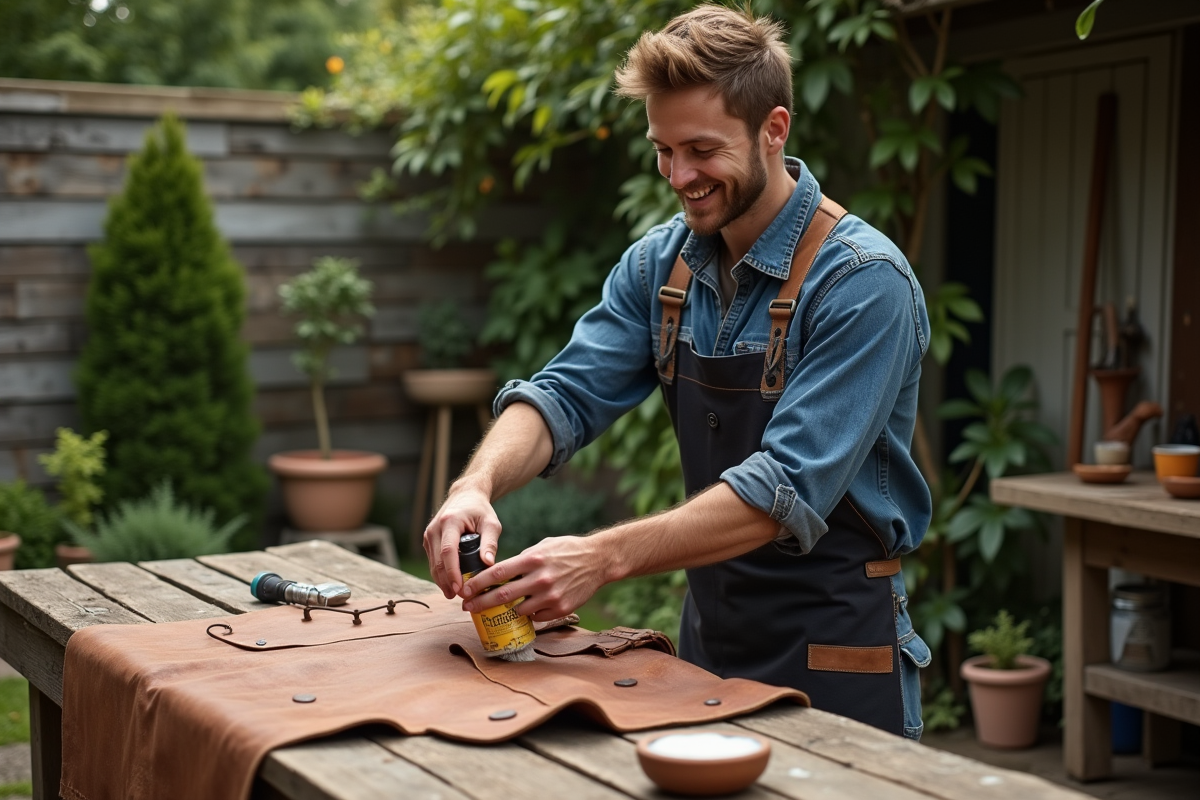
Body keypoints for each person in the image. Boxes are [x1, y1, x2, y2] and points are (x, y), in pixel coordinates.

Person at [423, 4, 932, 740]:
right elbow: (563, 394)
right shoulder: (661, 265)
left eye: (701, 150)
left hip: (835, 655)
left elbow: (782, 490)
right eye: (663, 150)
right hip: (707, 648)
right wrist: (475, 484)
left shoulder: (862, 283)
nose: (679, 176)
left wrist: (601, 558)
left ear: (774, 129)